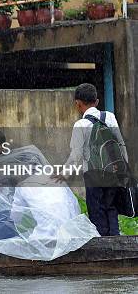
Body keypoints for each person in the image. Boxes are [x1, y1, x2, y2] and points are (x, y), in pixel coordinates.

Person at [54, 83, 129, 236]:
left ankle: (100, 247)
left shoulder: (80, 124)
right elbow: (120, 143)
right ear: (97, 102)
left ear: (77, 103)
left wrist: (64, 174)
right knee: (111, 208)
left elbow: (76, 154)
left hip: (93, 174)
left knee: (97, 211)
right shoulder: (109, 117)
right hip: (112, 171)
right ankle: (115, 243)